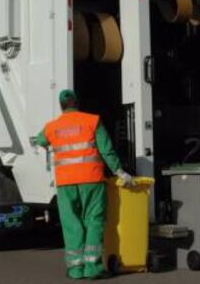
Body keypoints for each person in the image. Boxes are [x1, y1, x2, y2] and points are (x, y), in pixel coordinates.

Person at [36, 89, 134, 280]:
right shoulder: (92, 121)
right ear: (77, 103)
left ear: (61, 106)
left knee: (72, 223)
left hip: (66, 184)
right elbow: (107, 150)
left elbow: (40, 140)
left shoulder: (52, 127)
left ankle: (75, 269)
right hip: (91, 181)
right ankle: (93, 268)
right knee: (94, 221)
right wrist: (120, 172)